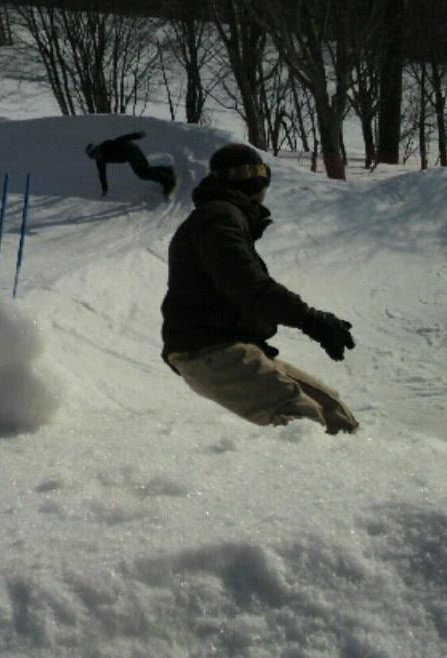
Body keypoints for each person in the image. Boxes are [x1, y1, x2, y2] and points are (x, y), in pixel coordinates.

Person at [160, 143, 359, 435]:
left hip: (224, 348)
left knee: (333, 413)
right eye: (260, 175)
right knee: (301, 419)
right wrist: (311, 320)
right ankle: (304, 465)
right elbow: (250, 287)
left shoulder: (222, 217)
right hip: (208, 350)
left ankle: (351, 463)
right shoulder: (218, 219)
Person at [86, 131, 176, 198]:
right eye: (93, 157)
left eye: (96, 153)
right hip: (130, 155)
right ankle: (167, 170)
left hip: (131, 150)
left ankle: (169, 181)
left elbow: (121, 138)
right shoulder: (100, 161)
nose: (97, 157)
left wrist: (137, 135)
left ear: (98, 149)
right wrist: (104, 189)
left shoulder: (106, 146)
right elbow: (102, 175)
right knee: (145, 169)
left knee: (142, 173)